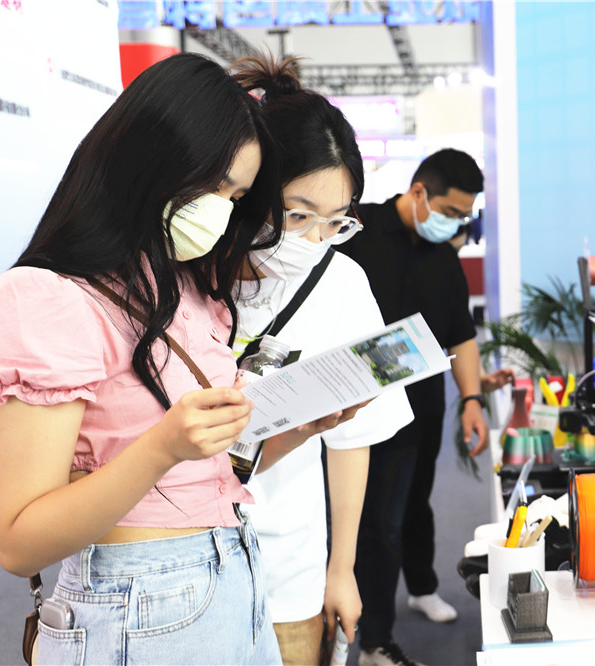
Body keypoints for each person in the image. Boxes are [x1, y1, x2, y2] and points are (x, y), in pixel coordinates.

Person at [0, 53, 349, 665]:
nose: (223, 210)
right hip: (141, 601)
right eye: (214, 186)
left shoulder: (186, 288)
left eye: (236, 196)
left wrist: (298, 429)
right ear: (150, 161)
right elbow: (20, 543)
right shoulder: (47, 298)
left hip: (234, 577)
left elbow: (208, 472)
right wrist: (161, 447)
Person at [229, 55, 414, 665]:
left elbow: (352, 438)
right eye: (298, 215)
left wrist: (342, 568)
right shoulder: (193, 274)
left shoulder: (343, 283)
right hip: (179, 555)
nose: (312, 240)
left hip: (290, 564)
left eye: (335, 222)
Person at [338, 149, 509, 666]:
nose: (457, 225)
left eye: (465, 216)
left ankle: (420, 586)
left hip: (424, 407)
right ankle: (374, 640)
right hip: (359, 411)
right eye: (452, 212)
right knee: (378, 521)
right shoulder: (357, 233)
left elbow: (462, 335)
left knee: (415, 504)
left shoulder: (444, 257)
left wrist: (472, 399)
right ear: (419, 193)